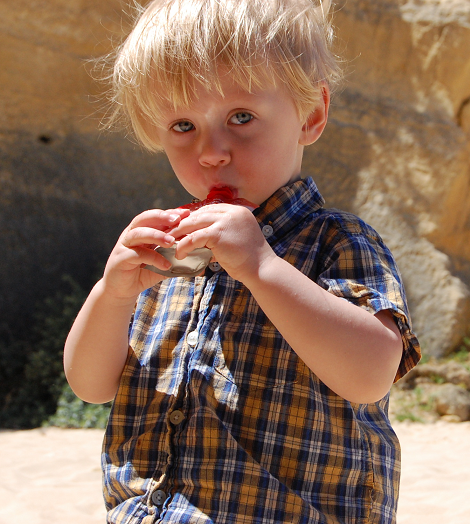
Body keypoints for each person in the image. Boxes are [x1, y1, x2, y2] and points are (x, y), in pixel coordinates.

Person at [64, 0, 421, 521]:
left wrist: (261, 266)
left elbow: (371, 374)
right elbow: (90, 385)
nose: (211, 151)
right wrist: (112, 294)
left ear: (311, 115)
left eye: (241, 117)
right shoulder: (168, 258)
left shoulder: (338, 242)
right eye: (182, 125)